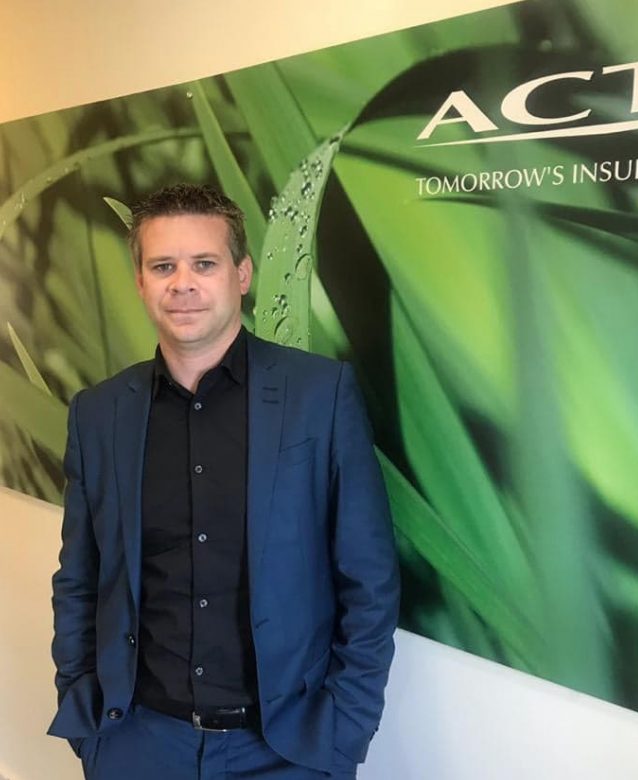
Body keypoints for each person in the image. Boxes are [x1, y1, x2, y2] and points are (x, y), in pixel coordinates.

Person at [48, 184, 400, 779]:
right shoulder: (99, 413)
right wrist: (86, 716)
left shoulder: (319, 396)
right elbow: (80, 577)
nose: (182, 284)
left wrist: (344, 731)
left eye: (204, 264)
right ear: (140, 282)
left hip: (283, 749)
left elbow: (369, 579)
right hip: (138, 744)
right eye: (163, 266)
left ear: (242, 274)